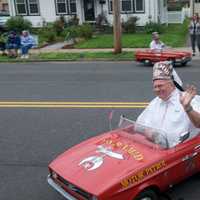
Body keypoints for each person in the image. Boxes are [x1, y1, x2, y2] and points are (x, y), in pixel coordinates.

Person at [136, 61, 200, 147]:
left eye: (160, 86)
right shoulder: (155, 102)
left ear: (172, 85)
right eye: (155, 87)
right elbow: (138, 125)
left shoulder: (187, 98)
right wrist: (150, 132)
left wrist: (188, 108)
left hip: (180, 153)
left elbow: (198, 123)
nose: (157, 89)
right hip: (155, 150)